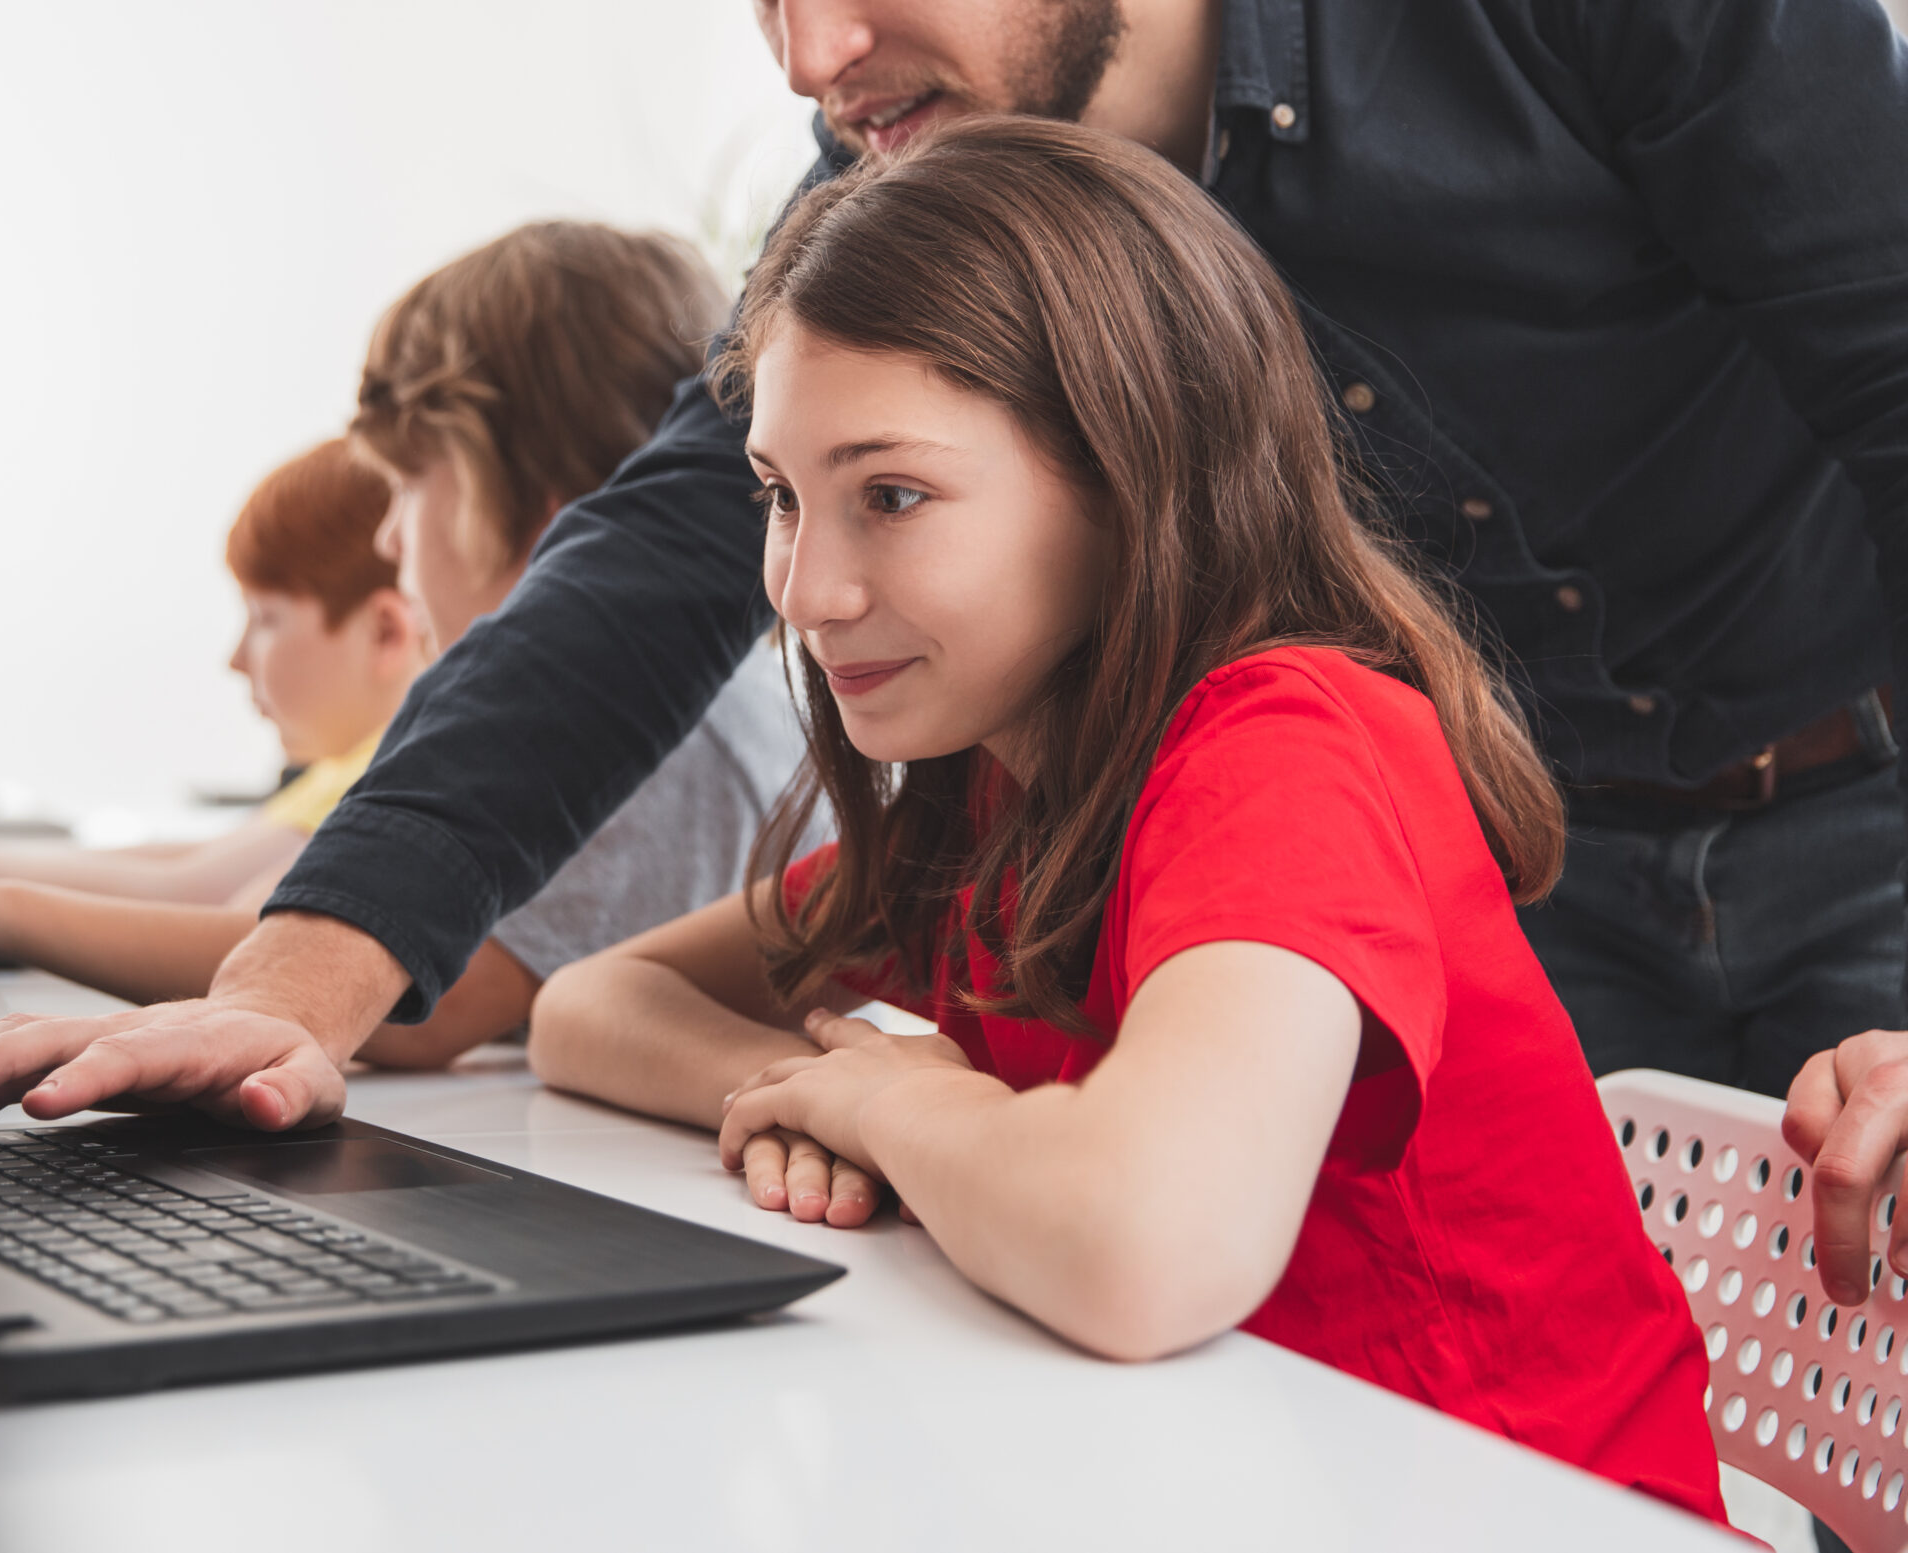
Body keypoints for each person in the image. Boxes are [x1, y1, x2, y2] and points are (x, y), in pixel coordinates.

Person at [0, 0, 1908, 1141]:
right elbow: (647, 556)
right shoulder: (919, 163)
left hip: (1858, 812)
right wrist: (291, 990)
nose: (807, 58)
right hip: (1480, 897)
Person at [526, 117, 1721, 1520]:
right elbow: (595, 1007)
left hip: (1495, 1507)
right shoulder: (999, 784)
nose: (805, 587)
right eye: (783, 498)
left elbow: (1150, 1247)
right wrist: (832, 1104)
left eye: (891, 497)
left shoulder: (1283, 746)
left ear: (1125, 476)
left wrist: (914, 1108)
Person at [0, 221, 807, 1076]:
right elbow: (266, 904)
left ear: (538, 504)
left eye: (406, 486)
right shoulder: (558, 707)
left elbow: (419, 1010)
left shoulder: (647, 718)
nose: (390, 540)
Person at [0, 438, 424, 911]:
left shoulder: (385, 774)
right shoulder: (345, 767)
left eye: (266, 618)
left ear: (385, 634)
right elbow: (196, 862)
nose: (235, 659)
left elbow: (190, 893)